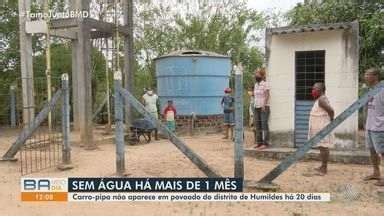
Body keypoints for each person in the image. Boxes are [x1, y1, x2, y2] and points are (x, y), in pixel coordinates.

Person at [363, 68, 384, 186]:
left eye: (367, 74)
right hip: (370, 126)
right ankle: (376, 173)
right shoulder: (369, 90)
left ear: (375, 76)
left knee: (383, 152)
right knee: (372, 151)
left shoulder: (382, 90)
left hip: (380, 127)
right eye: (365, 74)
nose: (365, 76)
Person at [308, 82, 334, 176]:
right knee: (321, 146)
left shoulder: (321, 100)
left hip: (322, 126)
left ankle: (324, 168)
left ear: (321, 90)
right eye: (313, 88)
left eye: (315, 89)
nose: (313, 91)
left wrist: (331, 121)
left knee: (324, 147)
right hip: (319, 126)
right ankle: (322, 166)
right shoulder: (320, 99)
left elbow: (331, 111)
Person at [253, 68, 270, 150]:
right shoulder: (256, 84)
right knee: (257, 125)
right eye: (256, 74)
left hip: (264, 107)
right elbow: (255, 96)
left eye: (258, 74)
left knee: (264, 125)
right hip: (256, 107)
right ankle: (259, 143)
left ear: (262, 75)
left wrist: (264, 105)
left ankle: (265, 143)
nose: (256, 75)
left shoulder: (265, 84)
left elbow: (267, 95)